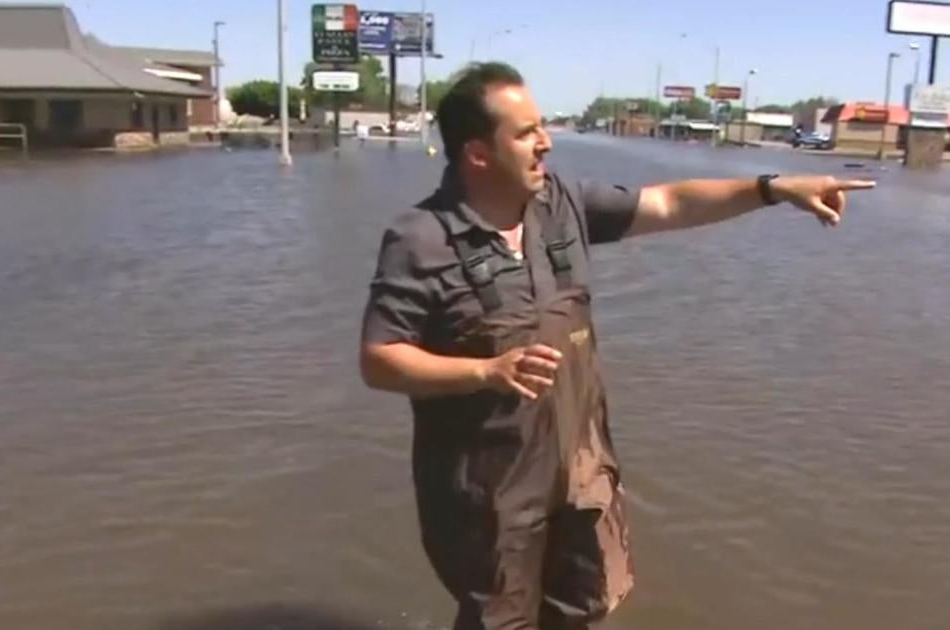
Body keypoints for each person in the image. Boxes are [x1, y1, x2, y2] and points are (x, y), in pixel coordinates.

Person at [359, 62, 874, 630]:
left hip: (580, 470)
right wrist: (486, 371)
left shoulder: (562, 207)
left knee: (581, 610)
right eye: (526, 132)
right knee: (499, 620)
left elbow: (670, 204)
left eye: (542, 128)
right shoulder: (420, 239)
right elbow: (380, 360)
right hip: (489, 492)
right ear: (478, 153)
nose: (545, 142)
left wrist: (772, 189)